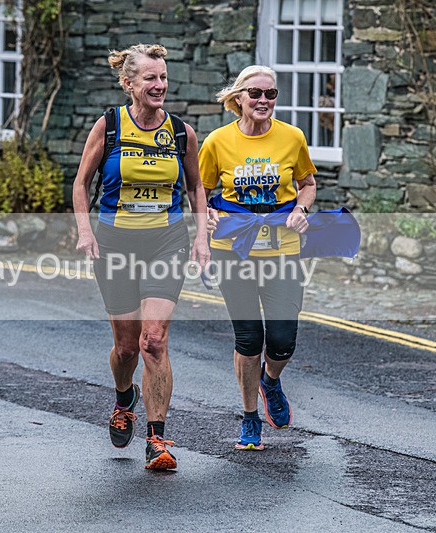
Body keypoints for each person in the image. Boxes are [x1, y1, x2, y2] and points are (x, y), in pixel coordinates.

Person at [72, 44, 209, 470]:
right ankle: (122, 398)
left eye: (163, 77)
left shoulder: (181, 132)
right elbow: (81, 184)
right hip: (114, 243)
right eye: (150, 78)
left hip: (166, 241)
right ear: (129, 83)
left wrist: (201, 237)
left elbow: (196, 188)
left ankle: (158, 440)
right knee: (127, 347)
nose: (160, 85)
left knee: (154, 340)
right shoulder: (110, 126)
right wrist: (84, 231)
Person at [198, 65, 317, 451]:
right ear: (239, 98)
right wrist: (208, 213)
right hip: (233, 251)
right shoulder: (217, 142)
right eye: (255, 93)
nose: (264, 101)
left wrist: (301, 209)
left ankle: (270, 380)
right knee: (248, 339)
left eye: (271, 94)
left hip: (283, 250)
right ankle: (250, 418)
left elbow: (308, 183)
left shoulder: (292, 137)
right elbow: (200, 190)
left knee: (282, 340)